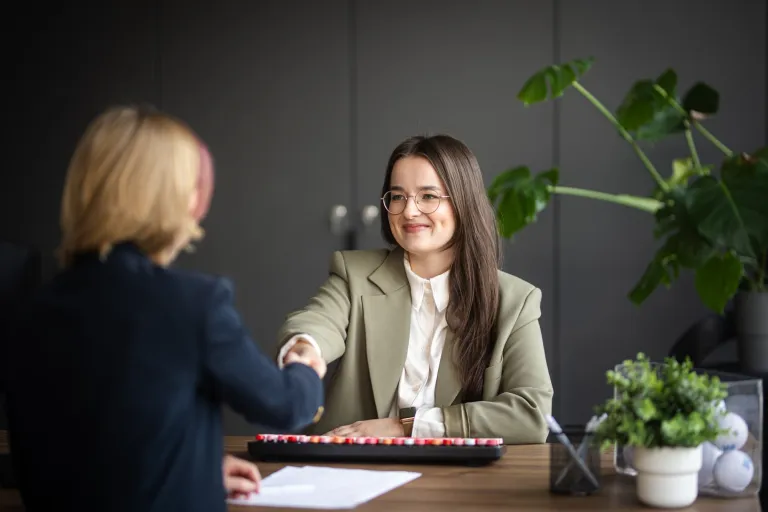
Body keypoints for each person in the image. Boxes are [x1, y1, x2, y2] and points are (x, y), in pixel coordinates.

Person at [3, 106, 327, 512]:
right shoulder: (193, 305)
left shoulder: (30, 309)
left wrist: (198, 467)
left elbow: (95, 443)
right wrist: (306, 366)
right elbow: (285, 407)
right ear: (176, 200)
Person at [276, 134, 553, 444]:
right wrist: (306, 349)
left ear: (463, 202)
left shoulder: (515, 300)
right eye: (397, 196)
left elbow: (532, 414)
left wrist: (406, 425)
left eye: (428, 196)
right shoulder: (355, 274)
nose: (408, 211)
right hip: (351, 470)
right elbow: (319, 321)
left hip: (460, 482)